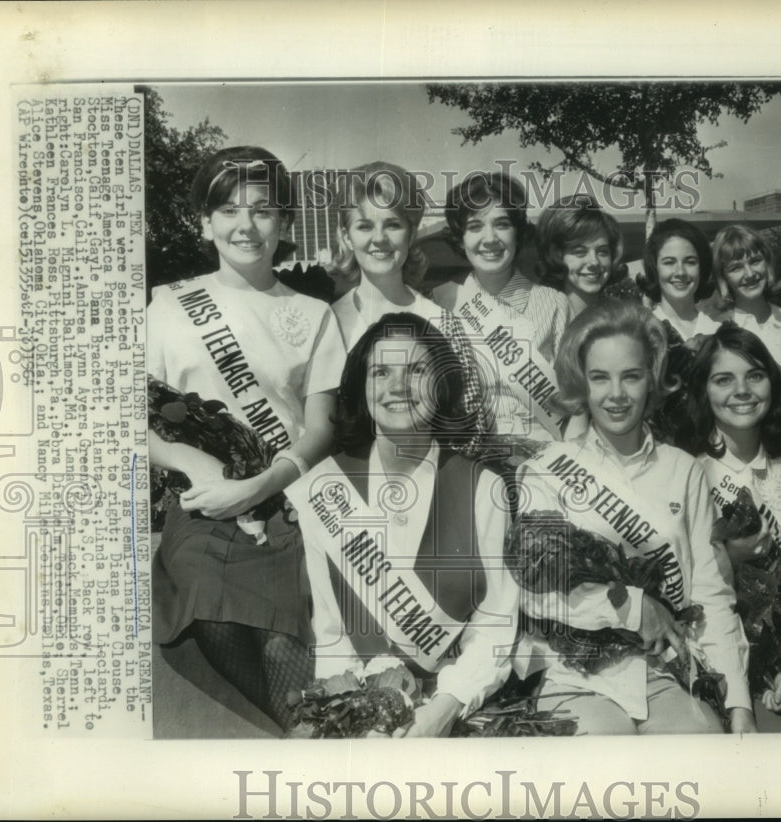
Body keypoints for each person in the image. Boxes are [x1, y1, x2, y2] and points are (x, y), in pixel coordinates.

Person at [148, 146, 346, 731]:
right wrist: (189, 462)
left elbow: (322, 428)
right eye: (228, 210)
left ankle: (316, 741)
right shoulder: (167, 306)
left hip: (290, 498)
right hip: (202, 501)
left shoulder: (312, 314)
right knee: (206, 599)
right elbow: (125, 417)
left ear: (283, 222)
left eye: (262, 210)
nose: (245, 225)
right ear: (204, 222)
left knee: (285, 640)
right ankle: (318, 737)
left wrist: (264, 481)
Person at [514, 298, 756, 735]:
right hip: (573, 673)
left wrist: (739, 704)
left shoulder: (683, 469)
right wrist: (630, 608)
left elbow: (710, 592)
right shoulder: (547, 468)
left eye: (632, 376)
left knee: (701, 762)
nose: (617, 394)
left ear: (652, 379)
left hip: (664, 671)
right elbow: (534, 593)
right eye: (600, 378)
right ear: (581, 383)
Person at [288, 313, 519, 737]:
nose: (398, 387)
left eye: (416, 371)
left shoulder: (483, 488)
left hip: (455, 704)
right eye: (381, 372)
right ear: (361, 386)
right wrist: (351, 718)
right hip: (358, 706)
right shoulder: (325, 487)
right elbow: (333, 633)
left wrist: (440, 712)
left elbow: (493, 630)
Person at [675, 324, 781, 729]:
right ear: (703, 391)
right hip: (704, 657)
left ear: (773, 381)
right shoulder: (685, 468)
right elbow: (678, 589)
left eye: (755, 375)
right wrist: (725, 559)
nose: (742, 390)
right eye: (723, 379)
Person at [329, 161, 488, 452]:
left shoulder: (442, 322)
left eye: (393, 224)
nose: (379, 239)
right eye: (364, 226)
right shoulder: (328, 323)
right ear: (345, 237)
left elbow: (469, 425)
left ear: (412, 233)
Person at [433, 172, 572, 443]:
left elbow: (573, 402)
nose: (490, 238)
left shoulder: (554, 303)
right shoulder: (441, 303)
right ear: (460, 238)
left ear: (518, 233)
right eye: (475, 226)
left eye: (502, 224)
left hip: (544, 455)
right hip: (468, 455)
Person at [711, 225, 781, 371]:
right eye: (736, 268)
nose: (749, 274)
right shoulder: (713, 330)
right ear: (723, 277)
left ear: (767, 263)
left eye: (755, 261)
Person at [536, 193, 633, 318]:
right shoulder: (538, 321)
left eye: (602, 252)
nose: (594, 262)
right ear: (556, 254)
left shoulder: (622, 320)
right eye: (580, 252)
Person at [642, 218, 721, 343]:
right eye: (669, 262)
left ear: (702, 267)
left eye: (690, 262)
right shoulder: (642, 332)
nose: (680, 272)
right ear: (654, 268)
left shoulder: (718, 331)